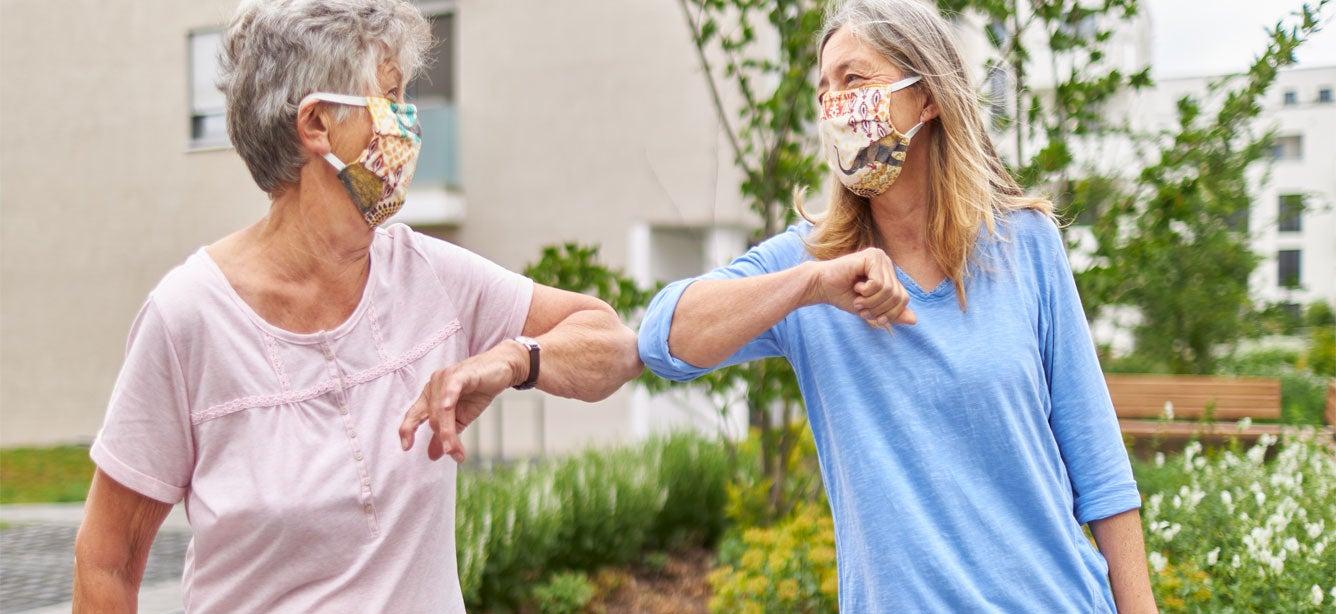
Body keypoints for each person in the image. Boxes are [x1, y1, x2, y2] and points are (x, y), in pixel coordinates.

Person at [72, 1, 641, 610]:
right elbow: (107, 559)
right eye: (390, 98)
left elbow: (611, 343)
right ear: (316, 124)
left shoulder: (430, 272)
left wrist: (514, 358)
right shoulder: (188, 317)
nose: (409, 122)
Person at [638, 0, 1155, 611]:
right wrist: (811, 285)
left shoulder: (1025, 244)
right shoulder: (808, 265)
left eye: (854, 80)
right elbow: (662, 339)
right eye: (825, 88)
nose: (836, 106)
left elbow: (1098, 464)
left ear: (928, 95)